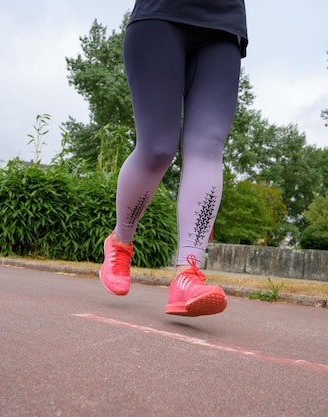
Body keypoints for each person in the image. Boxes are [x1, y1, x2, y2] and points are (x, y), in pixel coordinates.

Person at [100, 0, 248, 317]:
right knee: (158, 148)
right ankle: (120, 243)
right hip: (160, 16)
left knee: (208, 147)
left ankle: (187, 274)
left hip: (224, 25)